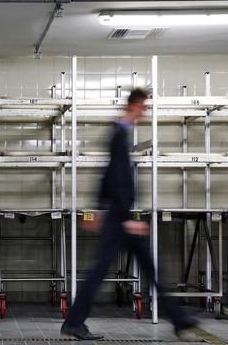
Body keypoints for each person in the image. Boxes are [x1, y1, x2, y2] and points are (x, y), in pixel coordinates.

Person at [60, 88, 198, 341]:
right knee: (102, 271)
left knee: (145, 268)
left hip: (117, 214)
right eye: (144, 106)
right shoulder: (119, 133)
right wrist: (123, 218)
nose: (145, 111)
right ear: (134, 105)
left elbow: (107, 173)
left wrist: (97, 209)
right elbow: (116, 176)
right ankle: (74, 322)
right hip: (120, 217)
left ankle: (179, 320)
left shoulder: (120, 132)